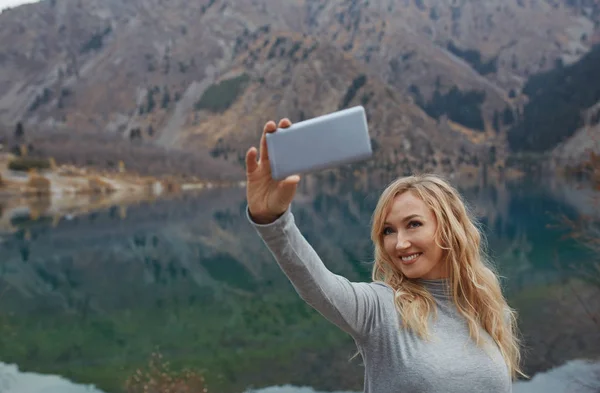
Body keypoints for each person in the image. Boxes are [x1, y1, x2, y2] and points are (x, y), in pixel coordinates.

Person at [245, 118, 525, 393]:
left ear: (449, 228)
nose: (400, 243)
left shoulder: (487, 307)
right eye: (388, 231)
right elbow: (318, 285)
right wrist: (272, 219)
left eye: (413, 224)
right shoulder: (381, 308)